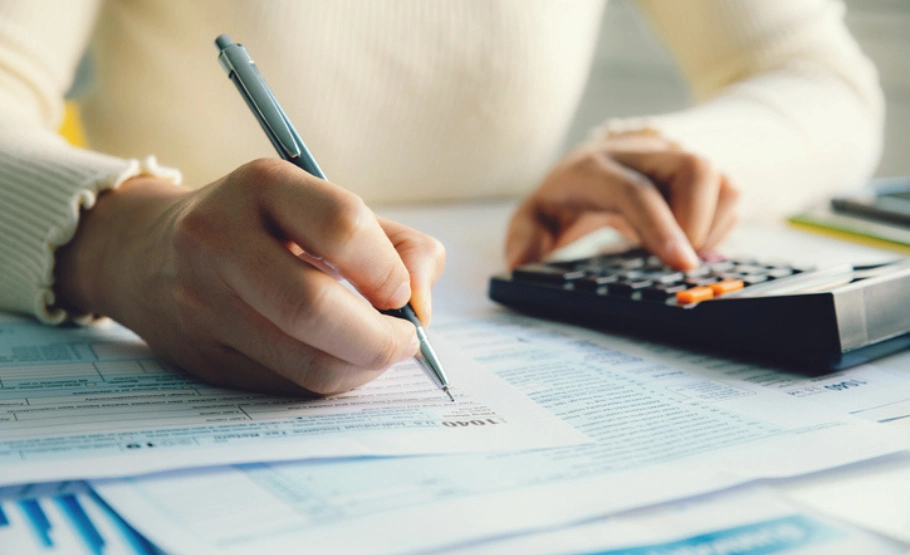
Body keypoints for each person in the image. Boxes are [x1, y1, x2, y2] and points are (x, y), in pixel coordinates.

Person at [0, 1, 882, 395]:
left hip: (501, 302)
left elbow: (819, 78)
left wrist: (678, 157)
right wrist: (123, 236)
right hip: (143, 332)